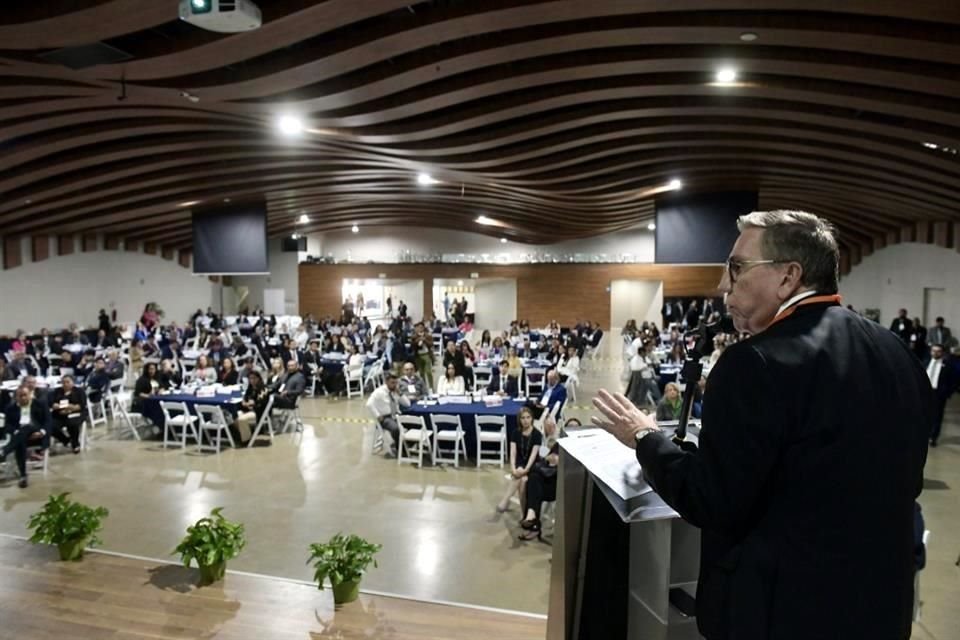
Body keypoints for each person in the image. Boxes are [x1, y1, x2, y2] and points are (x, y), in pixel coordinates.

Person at [592, 210, 931, 640]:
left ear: (788, 277)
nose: (722, 285)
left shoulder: (754, 363)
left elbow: (709, 500)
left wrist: (644, 437)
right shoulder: (896, 352)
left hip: (782, 616)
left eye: (736, 268)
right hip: (880, 610)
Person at [518, 416, 581, 541]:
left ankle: (533, 522)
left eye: (575, 427)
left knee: (533, 480)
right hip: (548, 482)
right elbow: (544, 460)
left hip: (564, 486)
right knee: (532, 479)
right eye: (569, 427)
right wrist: (549, 459)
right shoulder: (559, 444)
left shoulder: (580, 449)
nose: (572, 429)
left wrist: (562, 463)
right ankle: (532, 517)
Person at [2, 385, 51, 488]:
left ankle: (4, 451)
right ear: (16, 397)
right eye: (20, 396)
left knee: (27, 427)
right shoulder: (10, 408)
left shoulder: (40, 404)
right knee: (21, 440)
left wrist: (42, 432)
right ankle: (23, 476)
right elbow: (8, 426)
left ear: (30, 395)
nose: (23, 398)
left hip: (37, 434)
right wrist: (15, 431)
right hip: (20, 437)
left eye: (25, 395)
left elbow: (48, 422)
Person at [496, 406, 541, 513]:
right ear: (519, 420)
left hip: (533, 465)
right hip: (520, 463)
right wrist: (513, 468)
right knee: (521, 479)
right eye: (523, 418)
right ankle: (524, 513)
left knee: (523, 480)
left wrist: (526, 470)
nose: (526, 420)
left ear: (532, 418)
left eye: (528, 417)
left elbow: (533, 455)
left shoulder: (537, 434)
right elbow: (513, 453)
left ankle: (505, 501)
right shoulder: (515, 433)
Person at [366, 373, 410, 457]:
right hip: (385, 418)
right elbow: (369, 404)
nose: (394, 385)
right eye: (392, 383)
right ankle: (400, 449)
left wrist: (400, 393)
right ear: (386, 382)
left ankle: (408, 445)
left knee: (411, 424)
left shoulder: (395, 391)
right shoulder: (379, 392)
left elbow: (407, 404)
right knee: (395, 428)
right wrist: (377, 415)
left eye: (396, 383)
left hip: (396, 415)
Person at [926, 343, 959, 447]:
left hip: (938, 394)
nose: (935, 353)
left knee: (937, 417)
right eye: (933, 350)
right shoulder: (925, 361)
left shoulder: (948, 365)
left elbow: (954, 381)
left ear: (943, 353)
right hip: (925, 392)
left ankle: (933, 437)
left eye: (938, 351)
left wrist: (946, 393)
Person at [47, 374, 85, 453]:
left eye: (68, 382)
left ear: (73, 382)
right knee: (49, 425)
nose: (65, 384)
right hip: (59, 414)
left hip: (74, 414)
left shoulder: (79, 391)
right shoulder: (57, 391)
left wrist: (69, 408)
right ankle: (66, 440)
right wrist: (64, 406)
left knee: (72, 424)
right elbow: (52, 404)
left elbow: (80, 405)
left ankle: (75, 444)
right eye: (63, 382)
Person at [236, 370, 270, 444]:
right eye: (250, 378)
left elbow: (260, 402)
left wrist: (251, 404)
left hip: (258, 412)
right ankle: (242, 435)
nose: (252, 380)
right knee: (234, 416)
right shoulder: (250, 387)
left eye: (254, 378)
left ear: (258, 378)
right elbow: (246, 397)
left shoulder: (264, 388)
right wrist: (244, 402)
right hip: (248, 410)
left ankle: (246, 440)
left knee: (241, 419)